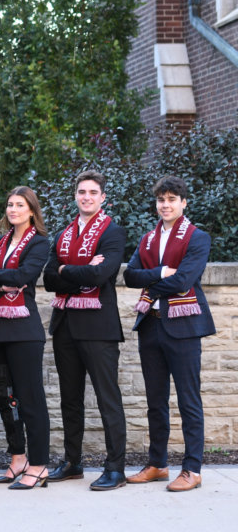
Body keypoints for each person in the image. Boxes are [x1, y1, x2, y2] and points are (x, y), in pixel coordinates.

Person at [124, 175, 215, 492]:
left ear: (183, 202)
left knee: (189, 400)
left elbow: (184, 280)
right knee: (155, 401)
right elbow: (129, 276)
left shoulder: (197, 238)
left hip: (184, 326)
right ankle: (158, 464)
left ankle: (192, 469)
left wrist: (152, 282)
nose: (165, 204)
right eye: (161, 199)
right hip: (151, 325)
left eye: (172, 199)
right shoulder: (148, 239)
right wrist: (161, 272)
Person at [42, 170, 128, 491]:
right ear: (75, 195)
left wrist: (67, 269)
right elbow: (49, 278)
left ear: (103, 197)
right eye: (82, 192)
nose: (87, 197)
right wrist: (77, 268)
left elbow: (101, 274)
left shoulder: (113, 232)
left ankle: (115, 468)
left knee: (108, 398)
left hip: (98, 326)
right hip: (65, 324)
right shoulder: (64, 234)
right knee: (70, 399)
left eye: (93, 192)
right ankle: (73, 461)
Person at [0, 186, 51, 490]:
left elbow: (23, 276)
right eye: (10, 204)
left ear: (31, 211)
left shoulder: (41, 243)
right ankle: (18, 457)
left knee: (29, 397)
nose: (13, 210)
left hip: (23, 331)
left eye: (20, 205)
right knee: (4, 397)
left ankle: (39, 464)